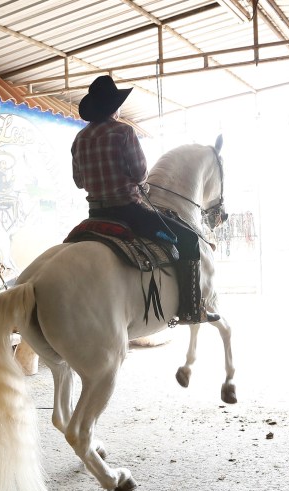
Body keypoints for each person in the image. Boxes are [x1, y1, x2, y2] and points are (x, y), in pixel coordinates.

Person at [71, 75, 212, 324]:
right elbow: (140, 174)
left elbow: (79, 182)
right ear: (114, 107)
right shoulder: (124, 132)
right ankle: (191, 309)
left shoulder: (79, 139)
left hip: (94, 215)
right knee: (189, 239)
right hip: (129, 212)